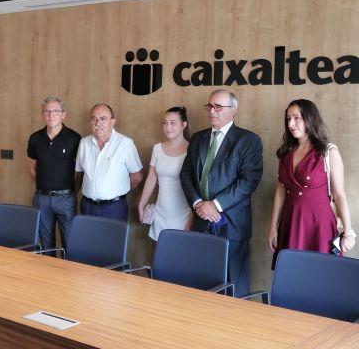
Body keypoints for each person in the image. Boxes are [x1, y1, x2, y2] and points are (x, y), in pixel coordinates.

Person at [180, 89, 263, 296]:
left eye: (218, 107)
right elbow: (186, 175)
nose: (212, 111)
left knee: (234, 284)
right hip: (201, 220)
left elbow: (249, 181)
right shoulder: (198, 138)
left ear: (233, 110)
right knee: (201, 280)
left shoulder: (248, 140)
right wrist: (198, 203)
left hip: (232, 223)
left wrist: (215, 205)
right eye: (209, 106)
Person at [268, 99, 356, 268]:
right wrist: (273, 227)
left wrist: (348, 232)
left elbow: (339, 195)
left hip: (319, 225)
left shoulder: (328, 152)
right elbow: (281, 189)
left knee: (320, 273)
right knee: (291, 273)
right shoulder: (286, 152)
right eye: (288, 119)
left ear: (310, 119)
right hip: (290, 223)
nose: (291, 124)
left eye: (297, 118)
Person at [27, 96, 81, 253]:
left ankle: (68, 270)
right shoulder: (35, 138)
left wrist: (71, 192)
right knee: (46, 246)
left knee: (70, 245)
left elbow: (80, 172)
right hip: (42, 198)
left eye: (56, 111)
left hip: (66, 198)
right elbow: (31, 168)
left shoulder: (74, 138)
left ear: (63, 114)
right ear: (43, 114)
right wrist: (45, 187)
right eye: (47, 111)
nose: (51, 115)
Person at [75, 104, 143, 221]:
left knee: (114, 234)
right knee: (87, 234)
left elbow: (136, 177)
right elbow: (80, 173)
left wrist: (117, 190)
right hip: (87, 206)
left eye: (103, 118)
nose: (98, 123)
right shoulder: (84, 143)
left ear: (112, 122)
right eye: (94, 118)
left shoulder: (125, 144)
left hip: (114, 208)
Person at [138, 107, 192, 242]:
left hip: (184, 213)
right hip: (160, 212)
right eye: (165, 123)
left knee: (181, 251)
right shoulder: (157, 148)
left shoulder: (192, 150)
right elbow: (151, 178)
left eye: (173, 123)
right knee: (160, 251)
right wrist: (141, 204)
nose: (168, 127)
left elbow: (197, 186)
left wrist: (192, 218)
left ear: (183, 125)